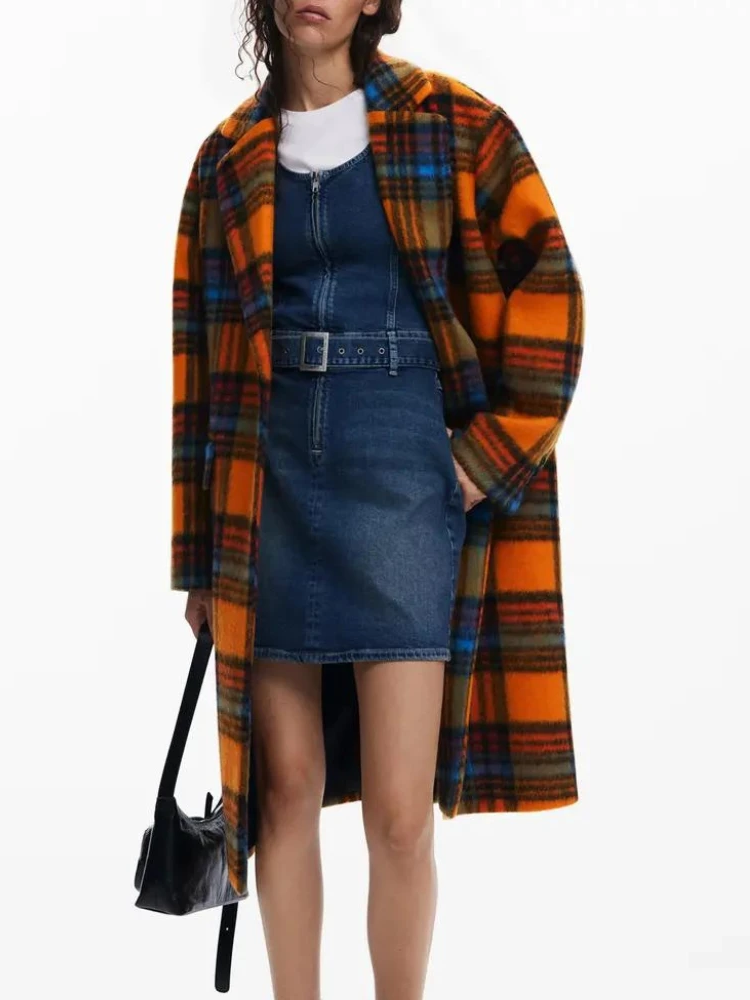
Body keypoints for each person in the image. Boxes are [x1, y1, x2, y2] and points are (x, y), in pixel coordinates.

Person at [172, 2, 584, 997]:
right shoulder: (226, 158)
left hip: (403, 474)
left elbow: (553, 289)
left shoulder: (455, 124)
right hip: (267, 483)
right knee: (282, 795)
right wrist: (198, 558)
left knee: (400, 815)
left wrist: (482, 458)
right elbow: (198, 369)